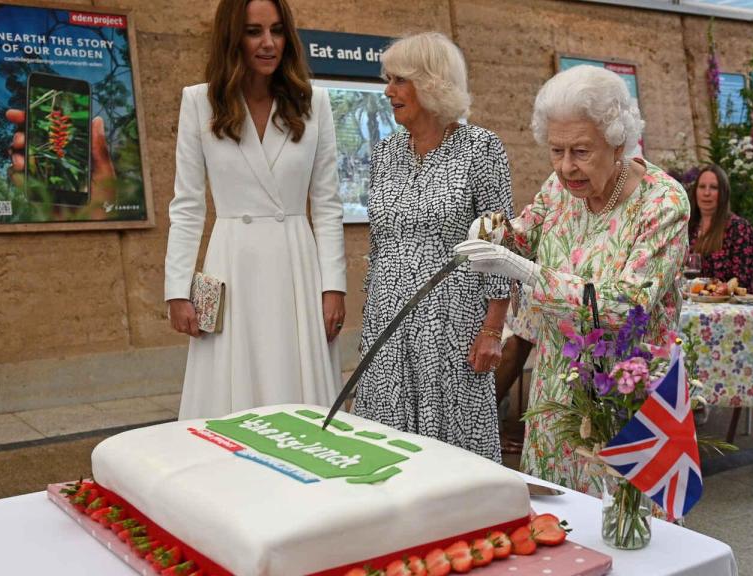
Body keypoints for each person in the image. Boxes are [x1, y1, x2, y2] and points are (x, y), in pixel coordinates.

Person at [456, 65, 689, 495]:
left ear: (617, 142)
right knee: (556, 517)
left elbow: (628, 304)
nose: (566, 167)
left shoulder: (663, 201)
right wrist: (489, 230)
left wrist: (526, 272)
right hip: (557, 385)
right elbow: (523, 233)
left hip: (626, 390)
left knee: (624, 526)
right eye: (556, 150)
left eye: (581, 151)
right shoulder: (560, 186)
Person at [165, 0, 346, 419]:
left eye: (277, 30)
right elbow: (188, 205)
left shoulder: (312, 102)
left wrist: (333, 287)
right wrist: (177, 290)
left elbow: (327, 204)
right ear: (232, 37)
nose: (269, 43)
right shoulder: (199, 102)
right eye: (254, 31)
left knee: (298, 387)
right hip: (231, 264)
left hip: (296, 265)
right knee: (229, 394)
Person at [351, 32, 514, 462]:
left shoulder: (481, 148)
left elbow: (500, 243)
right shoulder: (385, 153)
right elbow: (379, 241)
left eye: (399, 80)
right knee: (387, 449)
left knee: (452, 453)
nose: (389, 91)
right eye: (389, 80)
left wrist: (493, 329)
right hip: (388, 322)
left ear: (432, 82)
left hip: (453, 325)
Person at [688, 165, 753, 290]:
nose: (706, 193)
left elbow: (742, 281)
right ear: (695, 191)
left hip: (729, 305)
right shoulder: (688, 227)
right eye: (702, 187)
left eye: (714, 188)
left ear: (724, 193)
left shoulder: (739, 228)